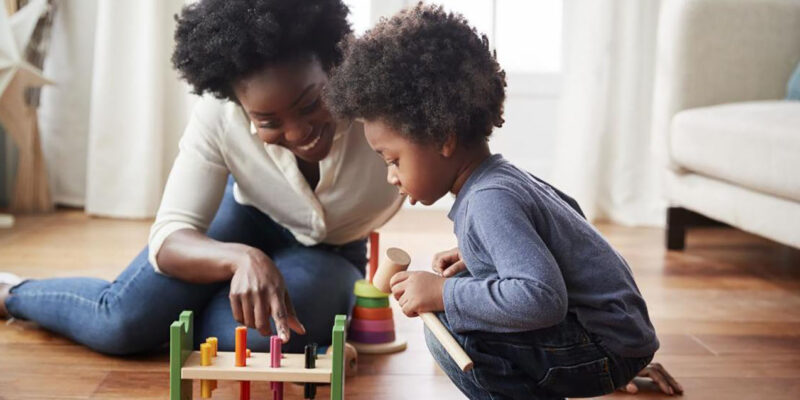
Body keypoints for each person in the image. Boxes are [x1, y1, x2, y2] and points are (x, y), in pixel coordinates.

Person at [0, 0, 402, 355]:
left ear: (334, 63)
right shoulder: (218, 115)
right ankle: (11, 294)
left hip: (330, 250)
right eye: (267, 120)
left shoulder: (388, 102)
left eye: (311, 103)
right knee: (120, 324)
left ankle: (173, 312)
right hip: (247, 216)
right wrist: (241, 258)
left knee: (257, 341)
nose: (298, 134)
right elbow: (170, 235)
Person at [324, 4, 681, 399]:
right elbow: (565, 236)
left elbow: (543, 299)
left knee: (451, 330)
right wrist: (478, 253)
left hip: (603, 348)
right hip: (619, 336)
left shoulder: (489, 200)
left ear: (444, 136)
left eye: (393, 160)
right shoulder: (502, 179)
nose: (391, 176)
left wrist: (442, 294)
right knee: (464, 284)